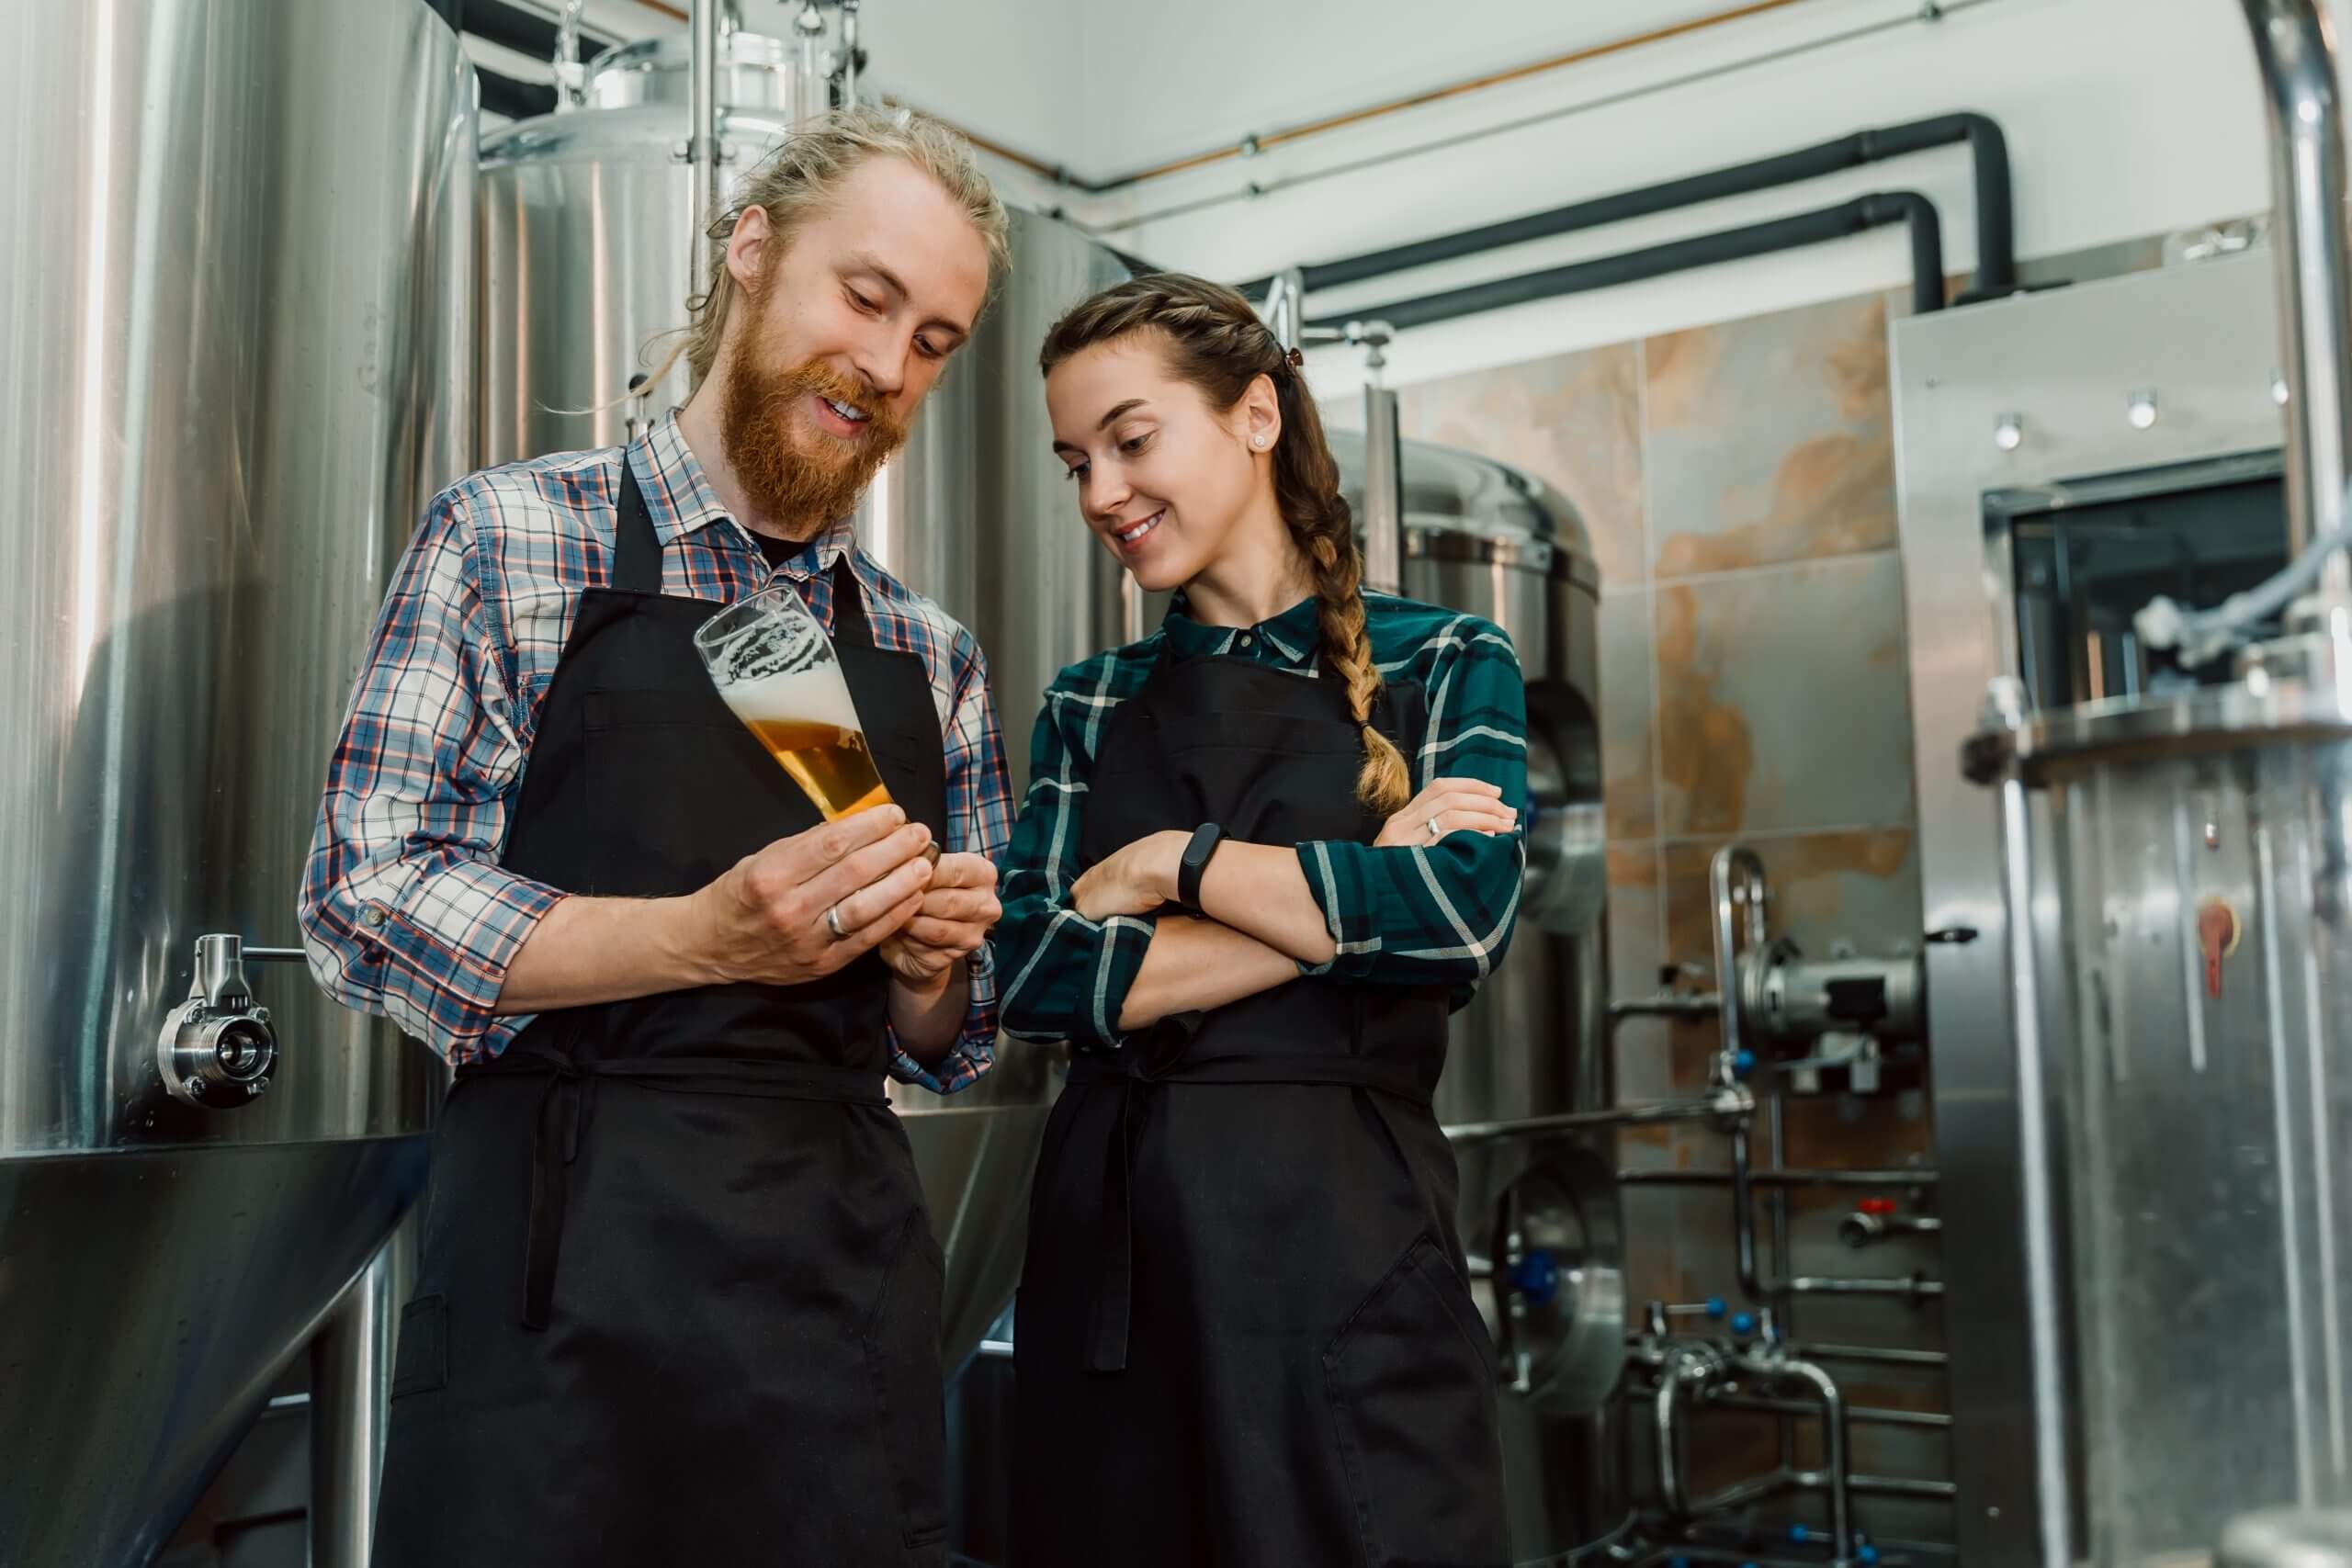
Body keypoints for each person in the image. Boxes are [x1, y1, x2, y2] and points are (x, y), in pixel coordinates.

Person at [298, 107, 1012, 1568]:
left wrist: (934, 967)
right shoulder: (512, 538)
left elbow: (956, 1032)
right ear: (751, 251)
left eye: (933, 340)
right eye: (865, 297)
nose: (887, 365)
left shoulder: (929, 655)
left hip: (837, 1318)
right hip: (562, 1308)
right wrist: (698, 938)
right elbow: (363, 894)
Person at [996, 274, 1529, 1568]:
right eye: (1076, 462)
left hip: (1346, 1259)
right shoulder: (1089, 701)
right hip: (1115, 1265)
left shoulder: (1447, 659)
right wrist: (1339, 894)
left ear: (1254, 414)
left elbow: (1457, 920)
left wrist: (1168, 864)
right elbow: (1028, 971)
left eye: (1130, 441)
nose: (1099, 496)